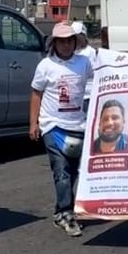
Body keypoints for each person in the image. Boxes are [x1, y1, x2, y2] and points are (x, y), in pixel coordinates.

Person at [30, 22, 92, 237]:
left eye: (69, 41)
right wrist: (34, 123)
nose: (65, 45)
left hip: (78, 125)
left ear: (75, 42)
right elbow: (36, 94)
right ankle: (66, 214)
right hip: (52, 125)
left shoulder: (84, 63)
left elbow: (101, 80)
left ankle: (61, 209)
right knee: (62, 171)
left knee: (74, 171)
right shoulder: (45, 66)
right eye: (61, 41)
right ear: (54, 43)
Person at [72, 21, 97, 111]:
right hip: (75, 96)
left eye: (78, 36)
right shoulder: (70, 52)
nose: (76, 39)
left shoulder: (91, 52)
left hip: (88, 95)